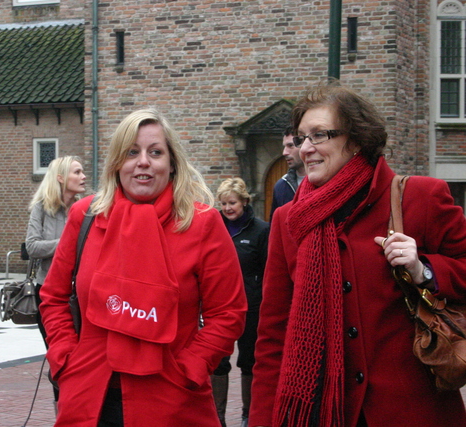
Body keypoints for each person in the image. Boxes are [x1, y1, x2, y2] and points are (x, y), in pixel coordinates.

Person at [250, 81, 466, 427]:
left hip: (414, 412)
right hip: (322, 412)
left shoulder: (421, 198)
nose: (305, 148)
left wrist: (424, 269)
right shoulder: (287, 219)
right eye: (300, 137)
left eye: (319, 135)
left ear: (356, 140)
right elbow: (274, 334)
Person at [40, 107, 247, 426]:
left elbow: (228, 313)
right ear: (117, 163)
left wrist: (191, 366)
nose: (143, 162)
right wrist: (65, 357)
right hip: (89, 395)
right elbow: (53, 297)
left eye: (155, 152)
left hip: (171, 398)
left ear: (172, 164)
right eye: (132, 152)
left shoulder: (203, 224)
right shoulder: (86, 216)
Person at [25, 155, 86, 411]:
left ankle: (83, 408)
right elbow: (32, 246)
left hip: (81, 294)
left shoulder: (86, 209)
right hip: (48, 294)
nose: (83, 176)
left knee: (82, 356)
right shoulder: (42, 207)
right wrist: (66, 241)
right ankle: (63, 411)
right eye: (77, 172)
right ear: (61, 178)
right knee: (59, 355)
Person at [211, 177, 268, 427]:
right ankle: (218, 416)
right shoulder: (214, 226)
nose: (227, 208)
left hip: (251, 304)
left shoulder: (261, 230)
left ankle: (248, 415)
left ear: (244, 201)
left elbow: (268, 269)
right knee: (218, 359)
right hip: (219, 304)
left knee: (249, 359)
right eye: (223, 203)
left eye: (232, 202)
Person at [269, 126, 305, 222]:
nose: (284, 152)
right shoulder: (281, 186)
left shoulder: (324, 181)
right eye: (284, 147)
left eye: (290, 146)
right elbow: (275, 227)